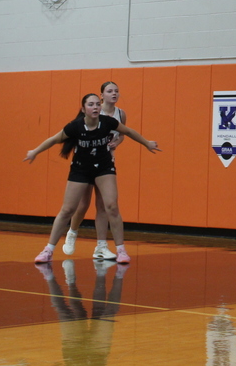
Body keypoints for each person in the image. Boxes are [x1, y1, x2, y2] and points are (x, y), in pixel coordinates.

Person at [25, 93, 161, 264]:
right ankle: (48, 249)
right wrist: (34, 152)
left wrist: (146, 143)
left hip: (103, 167)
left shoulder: (107, 122)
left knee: (111, 206)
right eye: (91, 104)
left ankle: (121, 250)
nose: (95, 107)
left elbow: (128, 131)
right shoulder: (75, 127)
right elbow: (53, 139)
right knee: (68, 210)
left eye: (97, 104)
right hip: (80, 169)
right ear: (83, 109)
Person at [63, 81, 126, 261]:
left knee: (104, 205)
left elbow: (122, 134)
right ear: (101, 95)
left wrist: (117, 142)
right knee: (82, 205)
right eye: (109, 91)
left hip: (105, 163)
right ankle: (72, 232)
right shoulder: (94, 112)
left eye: (116, 91)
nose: (114, 94)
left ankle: (101, 246)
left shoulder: (120, 114)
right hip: (85, 163)